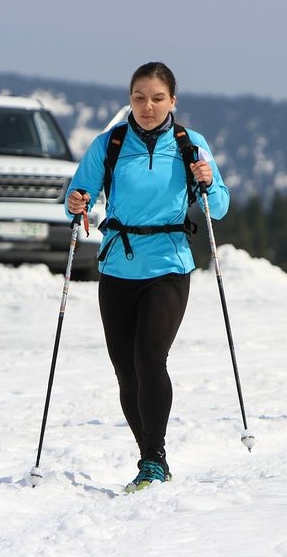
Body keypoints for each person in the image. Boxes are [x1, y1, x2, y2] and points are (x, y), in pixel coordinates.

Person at [65, 62, 230, 491]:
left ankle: (153, 460)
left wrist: (208, 182)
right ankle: (149, 454)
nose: (148, 106)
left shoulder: (190, 144)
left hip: (168, 266)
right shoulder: (110, 143)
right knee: (126, 371)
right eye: (139, 97)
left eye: (157, 98)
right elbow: (75, 194)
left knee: (149, 358)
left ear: (172, 101)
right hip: (117, 266)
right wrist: (77, 201)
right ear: (130, 100)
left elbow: (222, 204)